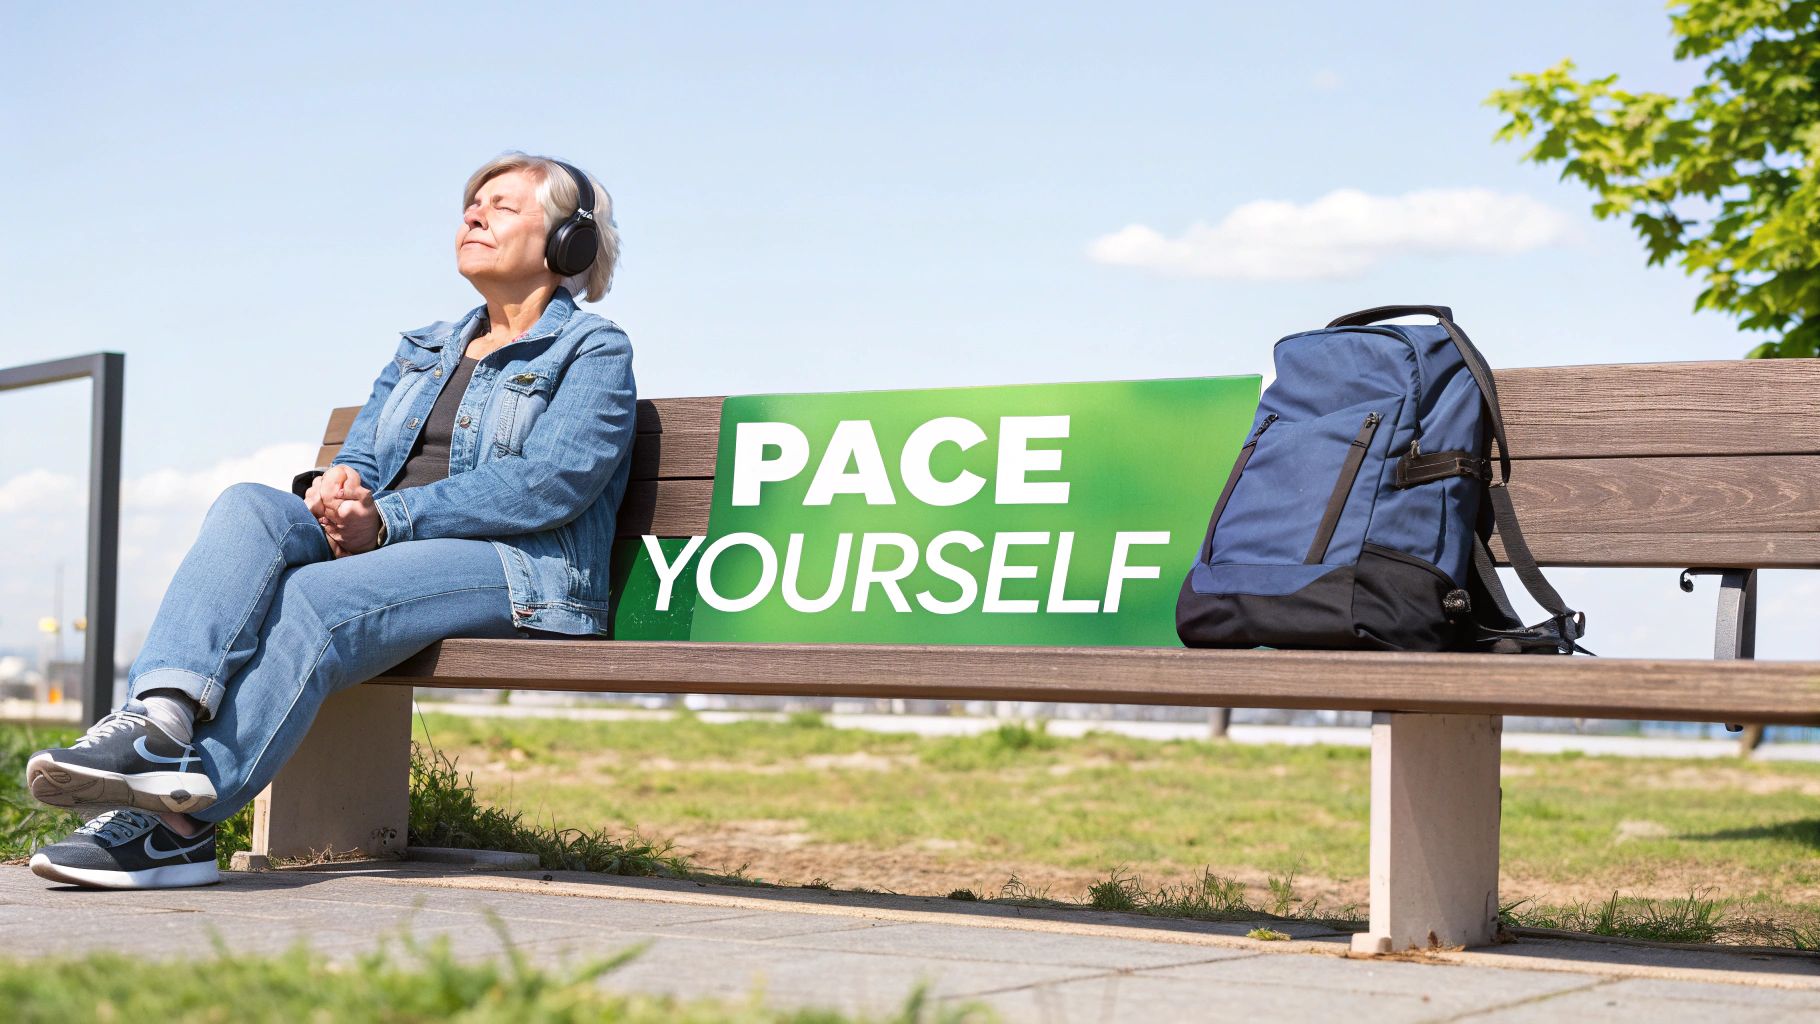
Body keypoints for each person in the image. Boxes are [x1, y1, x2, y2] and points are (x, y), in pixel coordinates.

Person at [22, 152, 635, 889]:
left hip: (517, 568)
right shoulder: (426, 348)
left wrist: (389, 520)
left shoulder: (593, 348)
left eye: (501, 205)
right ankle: (162, 720)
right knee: (251, 505)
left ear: (569, 241)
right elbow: (367, 462)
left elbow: (552, 482)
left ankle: (181, 819)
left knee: (314, 598)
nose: (473, 214)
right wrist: (338, 488)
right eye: (471, 202)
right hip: (389, 543)